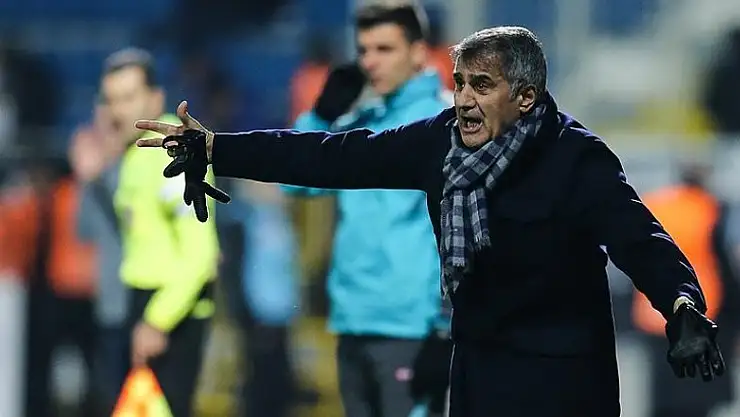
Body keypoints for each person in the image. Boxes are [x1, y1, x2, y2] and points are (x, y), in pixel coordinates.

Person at [135, 26, 726, 417]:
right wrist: (218, 149)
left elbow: (640, 238)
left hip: (564, 379)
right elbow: (333, 156)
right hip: (480, 371)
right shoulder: (440, 144)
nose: (463, 99)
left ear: (526, 97)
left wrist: (682, 305)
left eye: (482, 86)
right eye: (460, 83)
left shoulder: (577, 158)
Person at [282, 3, 452, 416]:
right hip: (353, 317)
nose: (370, 62)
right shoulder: (359, 120)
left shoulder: (447, 122)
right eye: (363, 50)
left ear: (418, 52)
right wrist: (320, 117)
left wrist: (446, 324)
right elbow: (295, 182)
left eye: (384, 49)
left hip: (412, 325)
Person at [101, 47, 220, 417]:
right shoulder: (137, 154)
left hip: (172, 311)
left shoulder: (176, 154)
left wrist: (158, 320)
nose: (118, 110)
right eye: (111, 100)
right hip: (144, 304)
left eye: (128, 98)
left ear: (155, 97)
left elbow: (201, 256)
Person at [633, 162, 740, 417]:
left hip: (656, 309)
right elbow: (723, 261)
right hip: (703, 306)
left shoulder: (655, 205)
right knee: (696, 393)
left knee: (664, 389)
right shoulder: (711, 208)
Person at [69, 101, 130, 415]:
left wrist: (96, 180)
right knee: (110, 393)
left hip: (137, 299)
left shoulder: (134, 167)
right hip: (110, 300)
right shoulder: (99, 177)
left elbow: (129, 226)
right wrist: (85, 180)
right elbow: (83, 231)